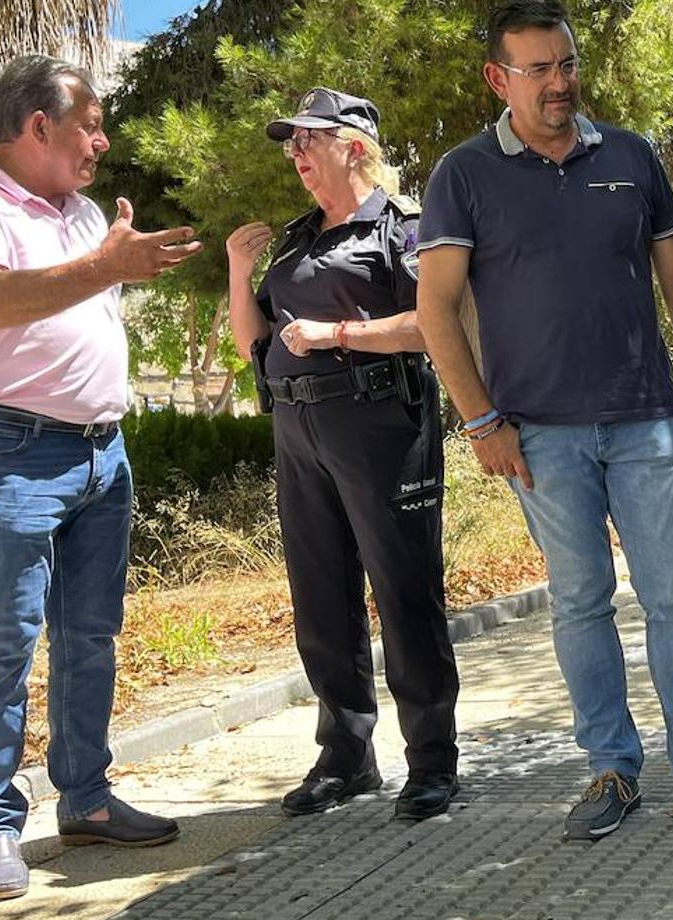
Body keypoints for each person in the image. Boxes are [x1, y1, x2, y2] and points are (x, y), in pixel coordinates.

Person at [414, 0, 673, 841]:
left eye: (567, 63)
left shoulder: (632, 155)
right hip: (539, 433)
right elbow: (437, 309)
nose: (558, 83)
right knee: (580, 602)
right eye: (538, 69)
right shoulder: (463, 174)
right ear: (498, 78)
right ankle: (611, 772)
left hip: (648, 418)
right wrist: (480, 421)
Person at [0, 54, 193, 900]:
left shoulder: (79, 215)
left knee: (92, 633)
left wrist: (105, 256)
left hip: (100, 451)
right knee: (7, 636)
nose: (102, 142)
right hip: (4, 448)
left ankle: (87, 798)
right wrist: (109, 266)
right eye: (90, 125)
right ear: (38, 127)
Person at [225, 87, 462, 822]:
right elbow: (252, 345)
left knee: (403, 592)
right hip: (298, 431)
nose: (294, 154)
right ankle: (347, 756)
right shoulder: (295, 239)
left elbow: (434, 326)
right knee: (321, 599)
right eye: (289, 144)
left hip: (381, 423)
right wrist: (239, 270)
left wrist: (337, 336)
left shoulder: (405, 228)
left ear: (353, 146)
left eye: (307, 140)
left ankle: (431, 760)